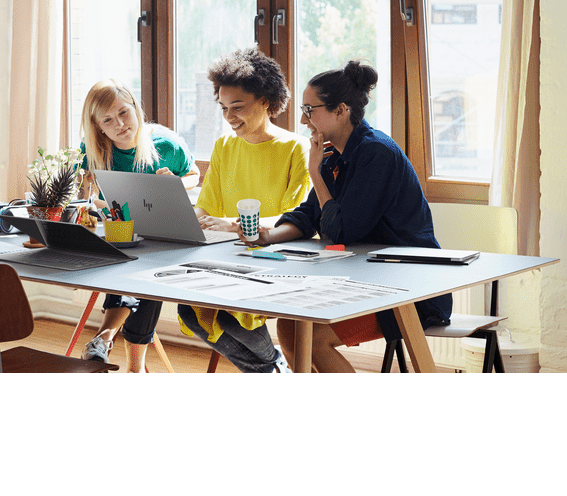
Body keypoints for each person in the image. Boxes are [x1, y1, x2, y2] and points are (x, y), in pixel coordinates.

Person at [239, 59, 453, 372]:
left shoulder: (376, 153)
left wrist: (314, 173)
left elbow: (342, 231)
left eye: (309, 110)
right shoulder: (333, 156)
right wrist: (268, 236)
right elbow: (310, 214)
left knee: (312, 337)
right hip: (367, 281)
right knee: (291, 325)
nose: (302, 119)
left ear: (341, 110)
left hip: (408, 291)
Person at [176, 47, 309, 372]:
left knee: (230, 314)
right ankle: (273, 368)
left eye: (238, 107)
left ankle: (272, 368)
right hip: (226, 256)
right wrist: (174, 220)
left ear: (265, 101)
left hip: (275, 257)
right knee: (188, 310)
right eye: (224, 108)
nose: (229, 117)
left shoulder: (296, 147)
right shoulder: (224, 146)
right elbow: (206, 208)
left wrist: (234, 226)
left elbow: (297, 218)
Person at [77, 79, 199, 372]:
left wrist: (175, 184)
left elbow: (194, 175)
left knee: (146, 270)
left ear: (136, 109)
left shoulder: (165, 144)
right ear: (98, 127)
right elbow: (82, 195)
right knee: (136, 267)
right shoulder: (92, 149)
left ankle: (104, 339)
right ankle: (135, 367)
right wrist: (90, 195)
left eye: (124, 112)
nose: (120, 124)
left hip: (163, 234)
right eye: (108, 120)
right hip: (121, 234)